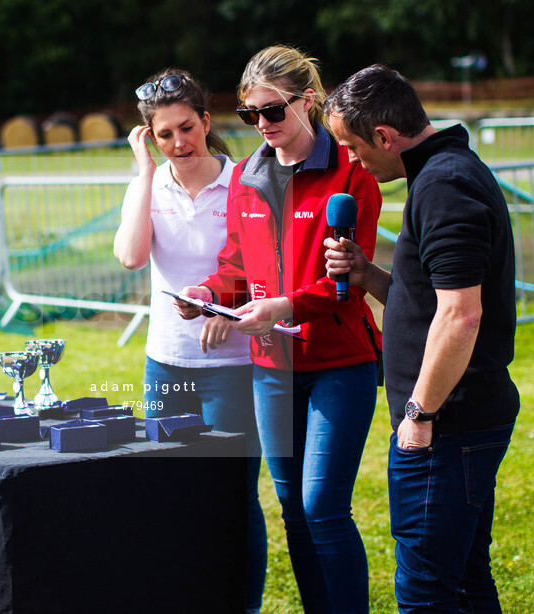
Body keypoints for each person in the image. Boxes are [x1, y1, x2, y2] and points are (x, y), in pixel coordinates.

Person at [174, 46, 383, 613]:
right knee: (291, 507)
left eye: (271, 111)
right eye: (249, 115)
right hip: (271, 368)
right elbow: (237, 266)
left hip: (339, 363)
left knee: (322, 506)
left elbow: (350, 285)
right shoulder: (246, 175)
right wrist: (208, 296)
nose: (261, 125)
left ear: (308, 100)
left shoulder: (350, 169)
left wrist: (284, 305)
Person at [322, 64, 520, 612]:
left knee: (428, 592)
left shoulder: (443, 184)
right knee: (464, 581)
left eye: (352, 145)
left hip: (447, 425)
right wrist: (369, 276)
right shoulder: (443, 171)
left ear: (384, 136)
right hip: (458, 421)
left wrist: (420, 415)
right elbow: (435, 302)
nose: (351, 159)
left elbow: (460, 317)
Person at [112, 68, 267, 613]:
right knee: (171, 493)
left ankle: (241, 604)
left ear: (206, 121)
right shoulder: (146, 187)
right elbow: (131, 256)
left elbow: (261, 263)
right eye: (164, 134)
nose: (179, 142)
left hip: (234, 365)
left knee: (233, 497)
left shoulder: (247, 181)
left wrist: (226, 306)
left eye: (187, 127)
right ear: (149, 138)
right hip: (167, 364)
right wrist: (145, 173)